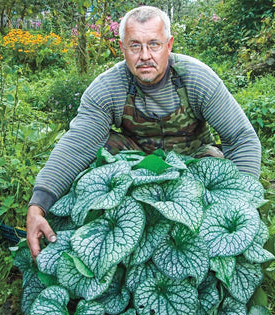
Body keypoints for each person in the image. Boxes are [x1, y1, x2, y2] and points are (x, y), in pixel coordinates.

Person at [26, 6, 261, 259]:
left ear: (169, 45)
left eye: (154, 44)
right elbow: (77, 144)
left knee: (218, 162)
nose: (145, 55)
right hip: (137, 168)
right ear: (122, 48)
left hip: (194, 162)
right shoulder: (108, 88)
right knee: (99, 149)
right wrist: (38, 205)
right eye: (135, 46)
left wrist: (242, 202)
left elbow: (240, 138)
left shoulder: (197, 79)